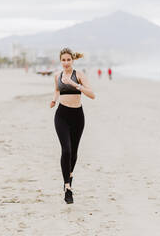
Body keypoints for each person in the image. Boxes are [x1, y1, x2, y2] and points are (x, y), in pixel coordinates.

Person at [50, 47, 96, 204]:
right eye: (63, 60)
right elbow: (57, 90)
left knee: (74, 152)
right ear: (60, 61)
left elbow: (92, 94)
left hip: (77, 116)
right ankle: (67, 188)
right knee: (66, 150)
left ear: (72, 60)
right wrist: (54, 100)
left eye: (68, 60)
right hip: (61, 115)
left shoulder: (79, 75)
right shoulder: (57, 75)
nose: (66, 62)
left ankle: (69, 177)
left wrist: (74, 84)